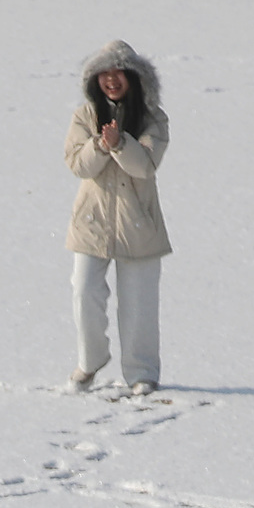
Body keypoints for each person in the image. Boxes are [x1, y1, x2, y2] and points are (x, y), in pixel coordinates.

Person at [64, 41, 170, 395]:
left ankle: (142, 373)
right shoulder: (84, 116)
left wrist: (120, 144)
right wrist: (98, 144)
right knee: (84, 292)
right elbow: (77, 164)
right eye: (104, 74)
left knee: (139, 303)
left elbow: (145, 166)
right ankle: (90, 361)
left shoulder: (154, 118)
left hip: (139, 223)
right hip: (91, 222)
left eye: (118, 73)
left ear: (134, 78)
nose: (111, 80)